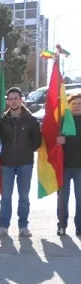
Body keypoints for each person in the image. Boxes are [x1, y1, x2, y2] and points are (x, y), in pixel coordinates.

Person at [0, 87, 41, 238]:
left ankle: (23, 226)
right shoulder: (1, 121)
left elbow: (37, 142)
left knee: (24, 197)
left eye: (16, 98)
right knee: (5, 197)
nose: (13, 101)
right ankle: (3, 226)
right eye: (10, 99)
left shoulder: (31, 120)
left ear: (21, 100)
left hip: (25, 163)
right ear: (7, 101)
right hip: (6, 164)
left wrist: (25, 151)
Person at [56, 93, 81, 236]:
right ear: (69, 105)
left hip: (79, 166)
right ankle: (61, 225)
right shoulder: (63, 120)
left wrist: (67, 140)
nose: (77, 106)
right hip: (64, 166)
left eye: (79, 104)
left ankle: (79, 226)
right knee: (62, 198)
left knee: (80, 198)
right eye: (74, 104)